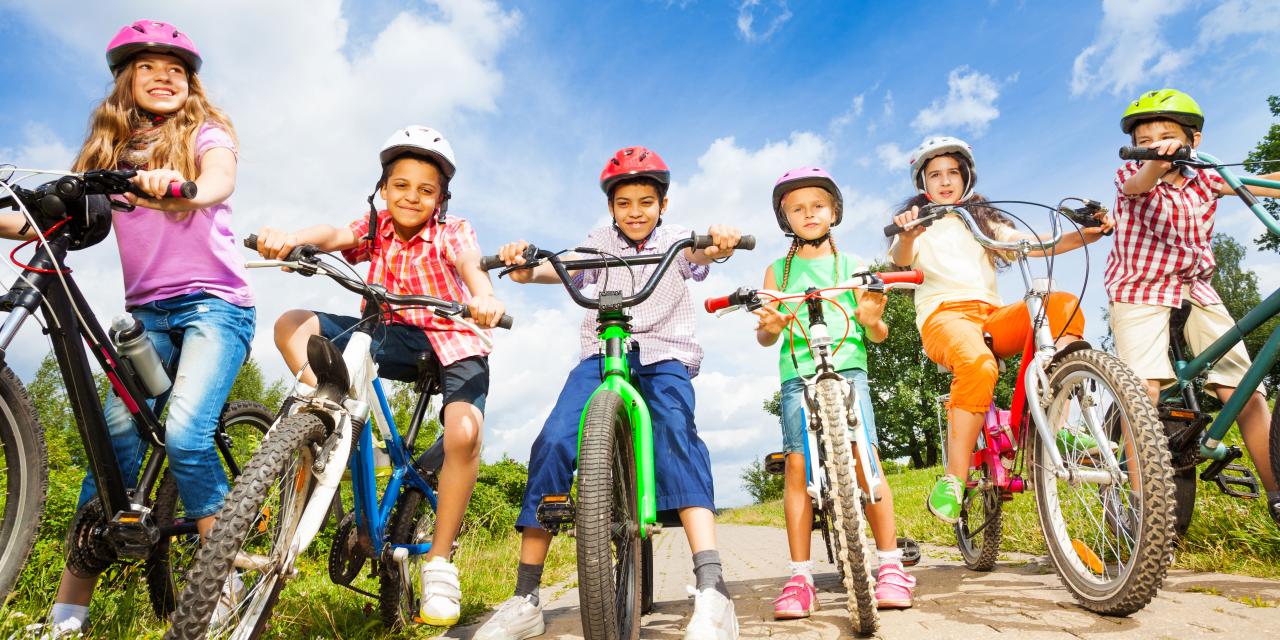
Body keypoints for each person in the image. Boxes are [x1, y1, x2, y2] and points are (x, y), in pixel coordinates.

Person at [0, 20, 256, 637]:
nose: (164, 77)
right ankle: (68, 616)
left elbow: (219, 178)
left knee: (188, 434)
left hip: (214, 307)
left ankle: (226, 585)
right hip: (147, 315)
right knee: (109, 448)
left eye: (176, 69)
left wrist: (182, 189)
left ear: (189, 82)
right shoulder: (109, 156)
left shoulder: (205, 134)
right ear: (125, 80)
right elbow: (52, 222)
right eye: (148, 68)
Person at [475, 146, 742, 640]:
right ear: (611, 207)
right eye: (624, 203)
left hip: (664, 355)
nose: (635, 212)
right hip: (603, 354)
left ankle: (712, 589)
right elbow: (560, 267)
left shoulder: (679, 240)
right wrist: (522, 265)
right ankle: (526, 596)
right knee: (554, 440)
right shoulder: (600, 243)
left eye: (645, 201)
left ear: (662, 203)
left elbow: (703, 254)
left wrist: (719, 243)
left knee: (676, 436)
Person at [253, 125, 506, 626]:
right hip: (387, 333)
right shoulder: (377, 226)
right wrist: (293, 239)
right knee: (291, 324)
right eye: (401, 186)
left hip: (450, 342)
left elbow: (471, 265)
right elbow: (334, 236)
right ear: (384, 189)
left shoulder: (453, 231)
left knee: (463, 434)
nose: (412, 197)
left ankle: (438, 562)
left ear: (441, 198)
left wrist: (484, 296)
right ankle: (325, 423)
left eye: (426, 190)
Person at [888, 136, 1111, 524]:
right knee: (978, 365)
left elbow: (1031, 242)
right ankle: (953, 481)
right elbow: (898, 262)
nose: (944, 181)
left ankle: (1055, 425)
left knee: (1059, 305)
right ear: (922, 183)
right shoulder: (916, 226)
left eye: (952, 173)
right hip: (945, 318)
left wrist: (1086, 234)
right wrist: (906, 235)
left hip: (991, 316)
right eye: (935, 174)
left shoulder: (982, 219)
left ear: (966, 177)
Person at [1106, 89, 1280, 521]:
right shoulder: (1131, 172)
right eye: (1146, 139)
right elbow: (1136, 185)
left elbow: (1264, 184)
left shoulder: (1206, 176)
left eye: (1167, 136)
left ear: (1194, 141)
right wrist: (1154, 162)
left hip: (1194, 286)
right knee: (1143, 388)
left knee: (1243, 386)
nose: (1156, 144)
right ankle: (1146, 505)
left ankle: (1277, 492)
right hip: (1139, 287)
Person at [753, 167, 915, 614]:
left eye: (818, 205)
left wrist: (870, 319)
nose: (809, 214)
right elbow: (766, 336)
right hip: (797, 373)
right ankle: (800, 576)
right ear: (785, 218)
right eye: (797, 208)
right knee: (797, 464)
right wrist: (769, 325)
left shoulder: (852, 266)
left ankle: (890, 565)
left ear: (834, 211)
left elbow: (877, 333)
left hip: (848, 370)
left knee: (867, 459)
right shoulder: (777, 270)